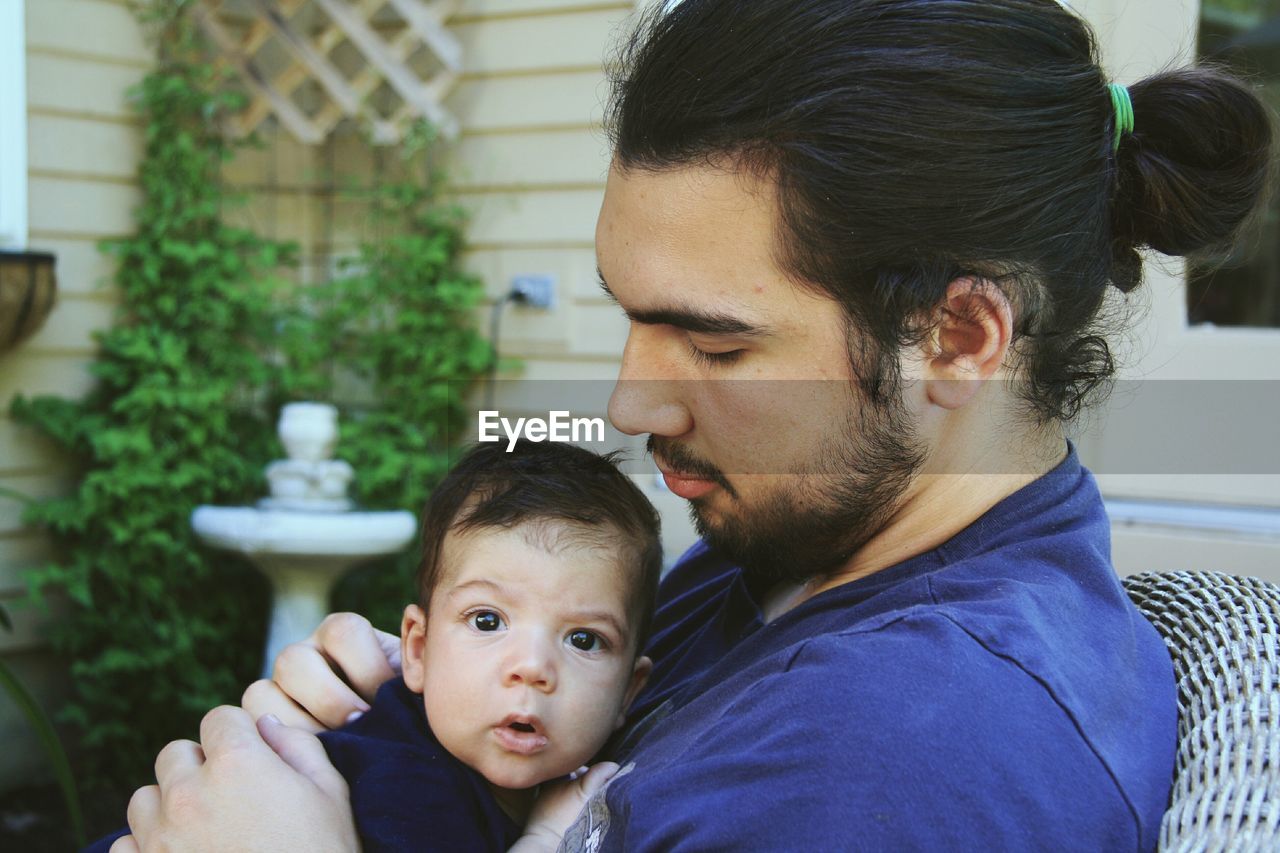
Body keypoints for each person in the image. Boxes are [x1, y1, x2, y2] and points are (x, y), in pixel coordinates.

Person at [116, 0, 1275, 850]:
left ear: (959, 339)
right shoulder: (787, 554)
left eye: (715, 345)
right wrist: (404, 724)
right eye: (633, 320)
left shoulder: (896, 758)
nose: (630, 402)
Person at [92, 441, 660, 852]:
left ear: (628, 692)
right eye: (487, 620)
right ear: (417, 649)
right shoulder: (408, 784)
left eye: (584, 639)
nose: (532, 668)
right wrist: (543, 839)